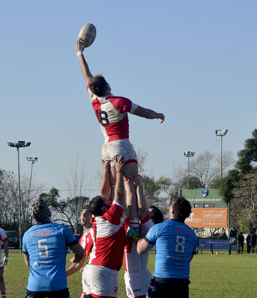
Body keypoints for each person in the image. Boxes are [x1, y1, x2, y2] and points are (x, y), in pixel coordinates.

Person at [75, 38, 164, 225]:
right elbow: (143, 113)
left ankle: (106, 221)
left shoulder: (95, 100)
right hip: (121, 145)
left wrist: (79, 53)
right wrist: (157, 114)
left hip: (105, 146)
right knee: (130, 184)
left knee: (108, 188)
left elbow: (86, 75)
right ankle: (132, 223)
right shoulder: (119, 102)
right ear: (107, 86)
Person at [82, 155, 130, 298]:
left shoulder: (98, 218)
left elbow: (104, 193)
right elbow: (120, 195)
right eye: (107, 202)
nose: (109, 200)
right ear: (103, 209)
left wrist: (107, 168)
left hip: (91, 269)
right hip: (103, 271)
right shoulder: (110, 217)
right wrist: (119, 172)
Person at [137, 197, 197, 298]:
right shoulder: (192, 235)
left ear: (172, 210)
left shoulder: (159, 228)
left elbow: (140, 249)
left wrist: (138, 236)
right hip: (182, 284)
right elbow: (188, 259)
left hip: (162, 281)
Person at [23, 199, 84, 298]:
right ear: (48, 212)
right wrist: (75, 261)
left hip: (35, 286)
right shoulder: (62, 230)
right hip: (57, 285)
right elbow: (80, 253)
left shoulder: (27, 234)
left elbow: (27, 263)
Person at [66, 207, 94, 298]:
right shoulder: (83, 237)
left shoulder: (95, 232)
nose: (83, 215)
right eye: (82, 213)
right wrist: (63, 275)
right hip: (87, 277)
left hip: (97, 276)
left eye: (87, 213)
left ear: (92, 216)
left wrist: (89, 264)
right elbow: (79, 263)